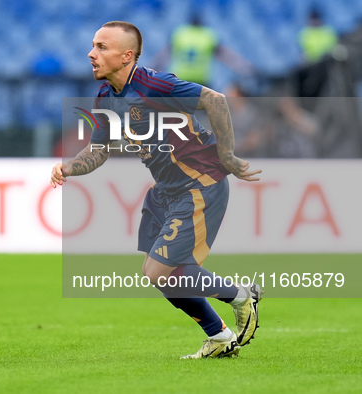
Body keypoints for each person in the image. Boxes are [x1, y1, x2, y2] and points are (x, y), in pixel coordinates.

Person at [50, 21, 263, 359]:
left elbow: (215, 100)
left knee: (160, 270)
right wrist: (69, 167)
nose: (92, 54)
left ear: (126, 56)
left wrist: (226, 155)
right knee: (161, 276)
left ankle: (240, 295)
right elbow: (99, 149)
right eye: (93, 45)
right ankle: (220, 337)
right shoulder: (106, 95)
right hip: (166, 191)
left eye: (102, 47)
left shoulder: (155, 85)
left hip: (200, 183)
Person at [152, 15, 252, 86]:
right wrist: (248, 70)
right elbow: (227, 57)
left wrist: (151, 70)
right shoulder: (208, 36)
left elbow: (162, 57)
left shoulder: (180, 34)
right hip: (201, 81)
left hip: (180, 79)